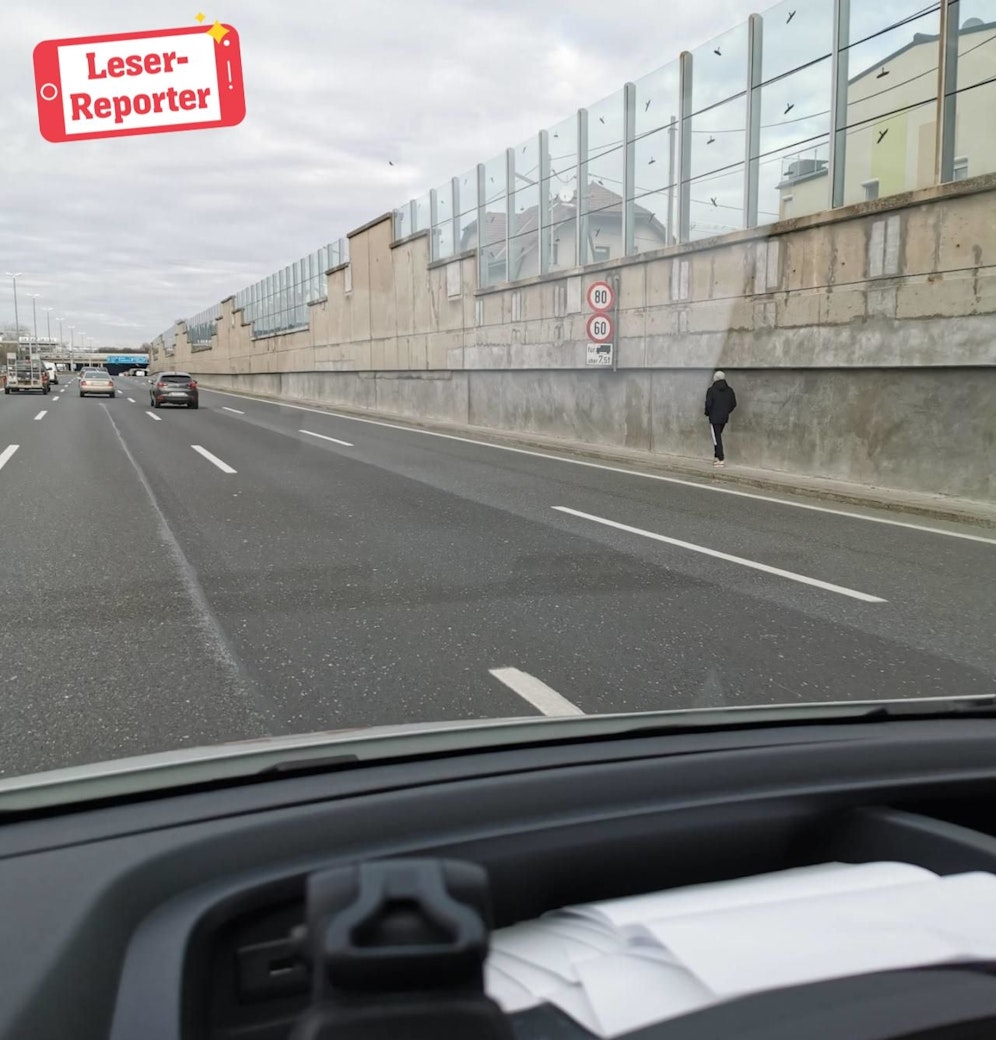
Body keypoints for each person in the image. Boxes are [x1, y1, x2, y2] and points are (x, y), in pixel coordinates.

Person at [704, 370, 737, 467]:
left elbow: (708, 404)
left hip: (714, 418)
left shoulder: (711, 390)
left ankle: (721, 459)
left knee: (716, 438)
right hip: (724, 418)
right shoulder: (730, 390)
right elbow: (733, 404)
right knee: (717, 436)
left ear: (715, 379)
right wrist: (726, 411)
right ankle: (716, 456)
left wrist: (707, 413)